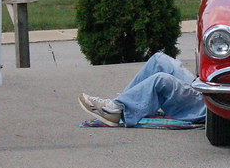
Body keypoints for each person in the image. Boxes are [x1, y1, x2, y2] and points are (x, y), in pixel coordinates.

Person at [78, 52, 206, 127]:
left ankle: (116, 110)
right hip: (203, 88)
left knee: (161, 80)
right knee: (159, 59)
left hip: (207, 104)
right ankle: (122, 104)